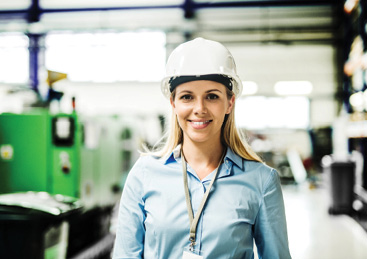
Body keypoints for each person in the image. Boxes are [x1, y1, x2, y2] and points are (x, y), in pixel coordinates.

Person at [112, 37, 291, 259]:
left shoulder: (261, 181)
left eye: (212, 96)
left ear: (230, 103)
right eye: (187, 97)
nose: (199, 108)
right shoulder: (144, 174)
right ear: (173, 103)